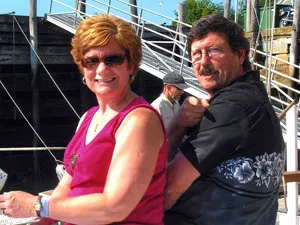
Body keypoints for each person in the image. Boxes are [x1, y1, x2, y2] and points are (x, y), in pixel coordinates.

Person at [0, 14, 167, 225]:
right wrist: (41, 219)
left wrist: (36, 204)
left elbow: (115, 207)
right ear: (82, 67)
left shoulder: (139, 120)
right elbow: (67, 185)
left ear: (131, 65)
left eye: (113, 59)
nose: (102, 69)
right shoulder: (88, 118)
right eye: (91, 61)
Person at [164, 15, 285, 225]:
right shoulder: (255, 97)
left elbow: (167, 190)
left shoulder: (232, 107)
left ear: (240, 55)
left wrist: (176, 126)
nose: (203, 62)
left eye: (214, 51)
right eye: (196, 54)